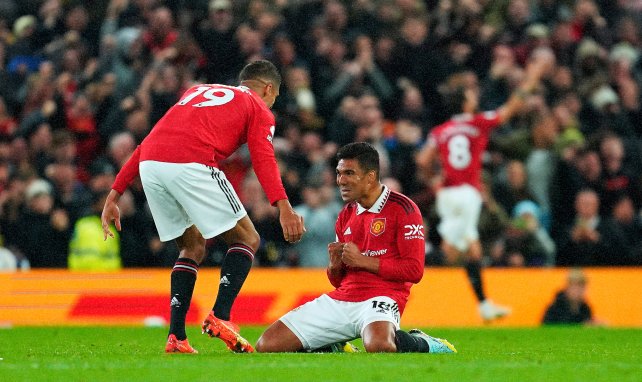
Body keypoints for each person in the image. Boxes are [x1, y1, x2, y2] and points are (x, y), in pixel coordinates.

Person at [100, 60, 306, 354]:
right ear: (269, 88)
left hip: (151, 166)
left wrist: (114, 194)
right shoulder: (259, 108)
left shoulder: (198, 90)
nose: (272, 102)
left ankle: (176, 337)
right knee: (247, 238)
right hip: (190, 162)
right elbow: (263, 158)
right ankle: (221, 316)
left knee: (192, 246)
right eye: (274, 96)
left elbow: (149, 140)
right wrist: (283, 206)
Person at [255, 142, 456, 354]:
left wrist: (362, 260)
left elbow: (414, 271)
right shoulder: (345, 215)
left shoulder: (403, 208)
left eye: (349, 173)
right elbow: (338, 282)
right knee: (268, 345)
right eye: (339, 173)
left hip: (383, 298)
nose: (341, 180)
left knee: (379, 345)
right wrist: (334, 266)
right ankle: (334, 345)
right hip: (344, 299)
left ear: (370, 177)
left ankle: (426, 343)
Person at [416, 48, 555, 321]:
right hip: (466, 193)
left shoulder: (440, 131)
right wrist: (534, 76)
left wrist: (435, 181)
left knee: (472, 248)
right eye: (471, 95)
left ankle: (483, 305)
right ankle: (397, 278)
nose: (475, 97)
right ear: (465, 103)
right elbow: (511, 108)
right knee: (452, 252)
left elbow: (422, 160)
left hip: (448, 193)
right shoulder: (477, 123)